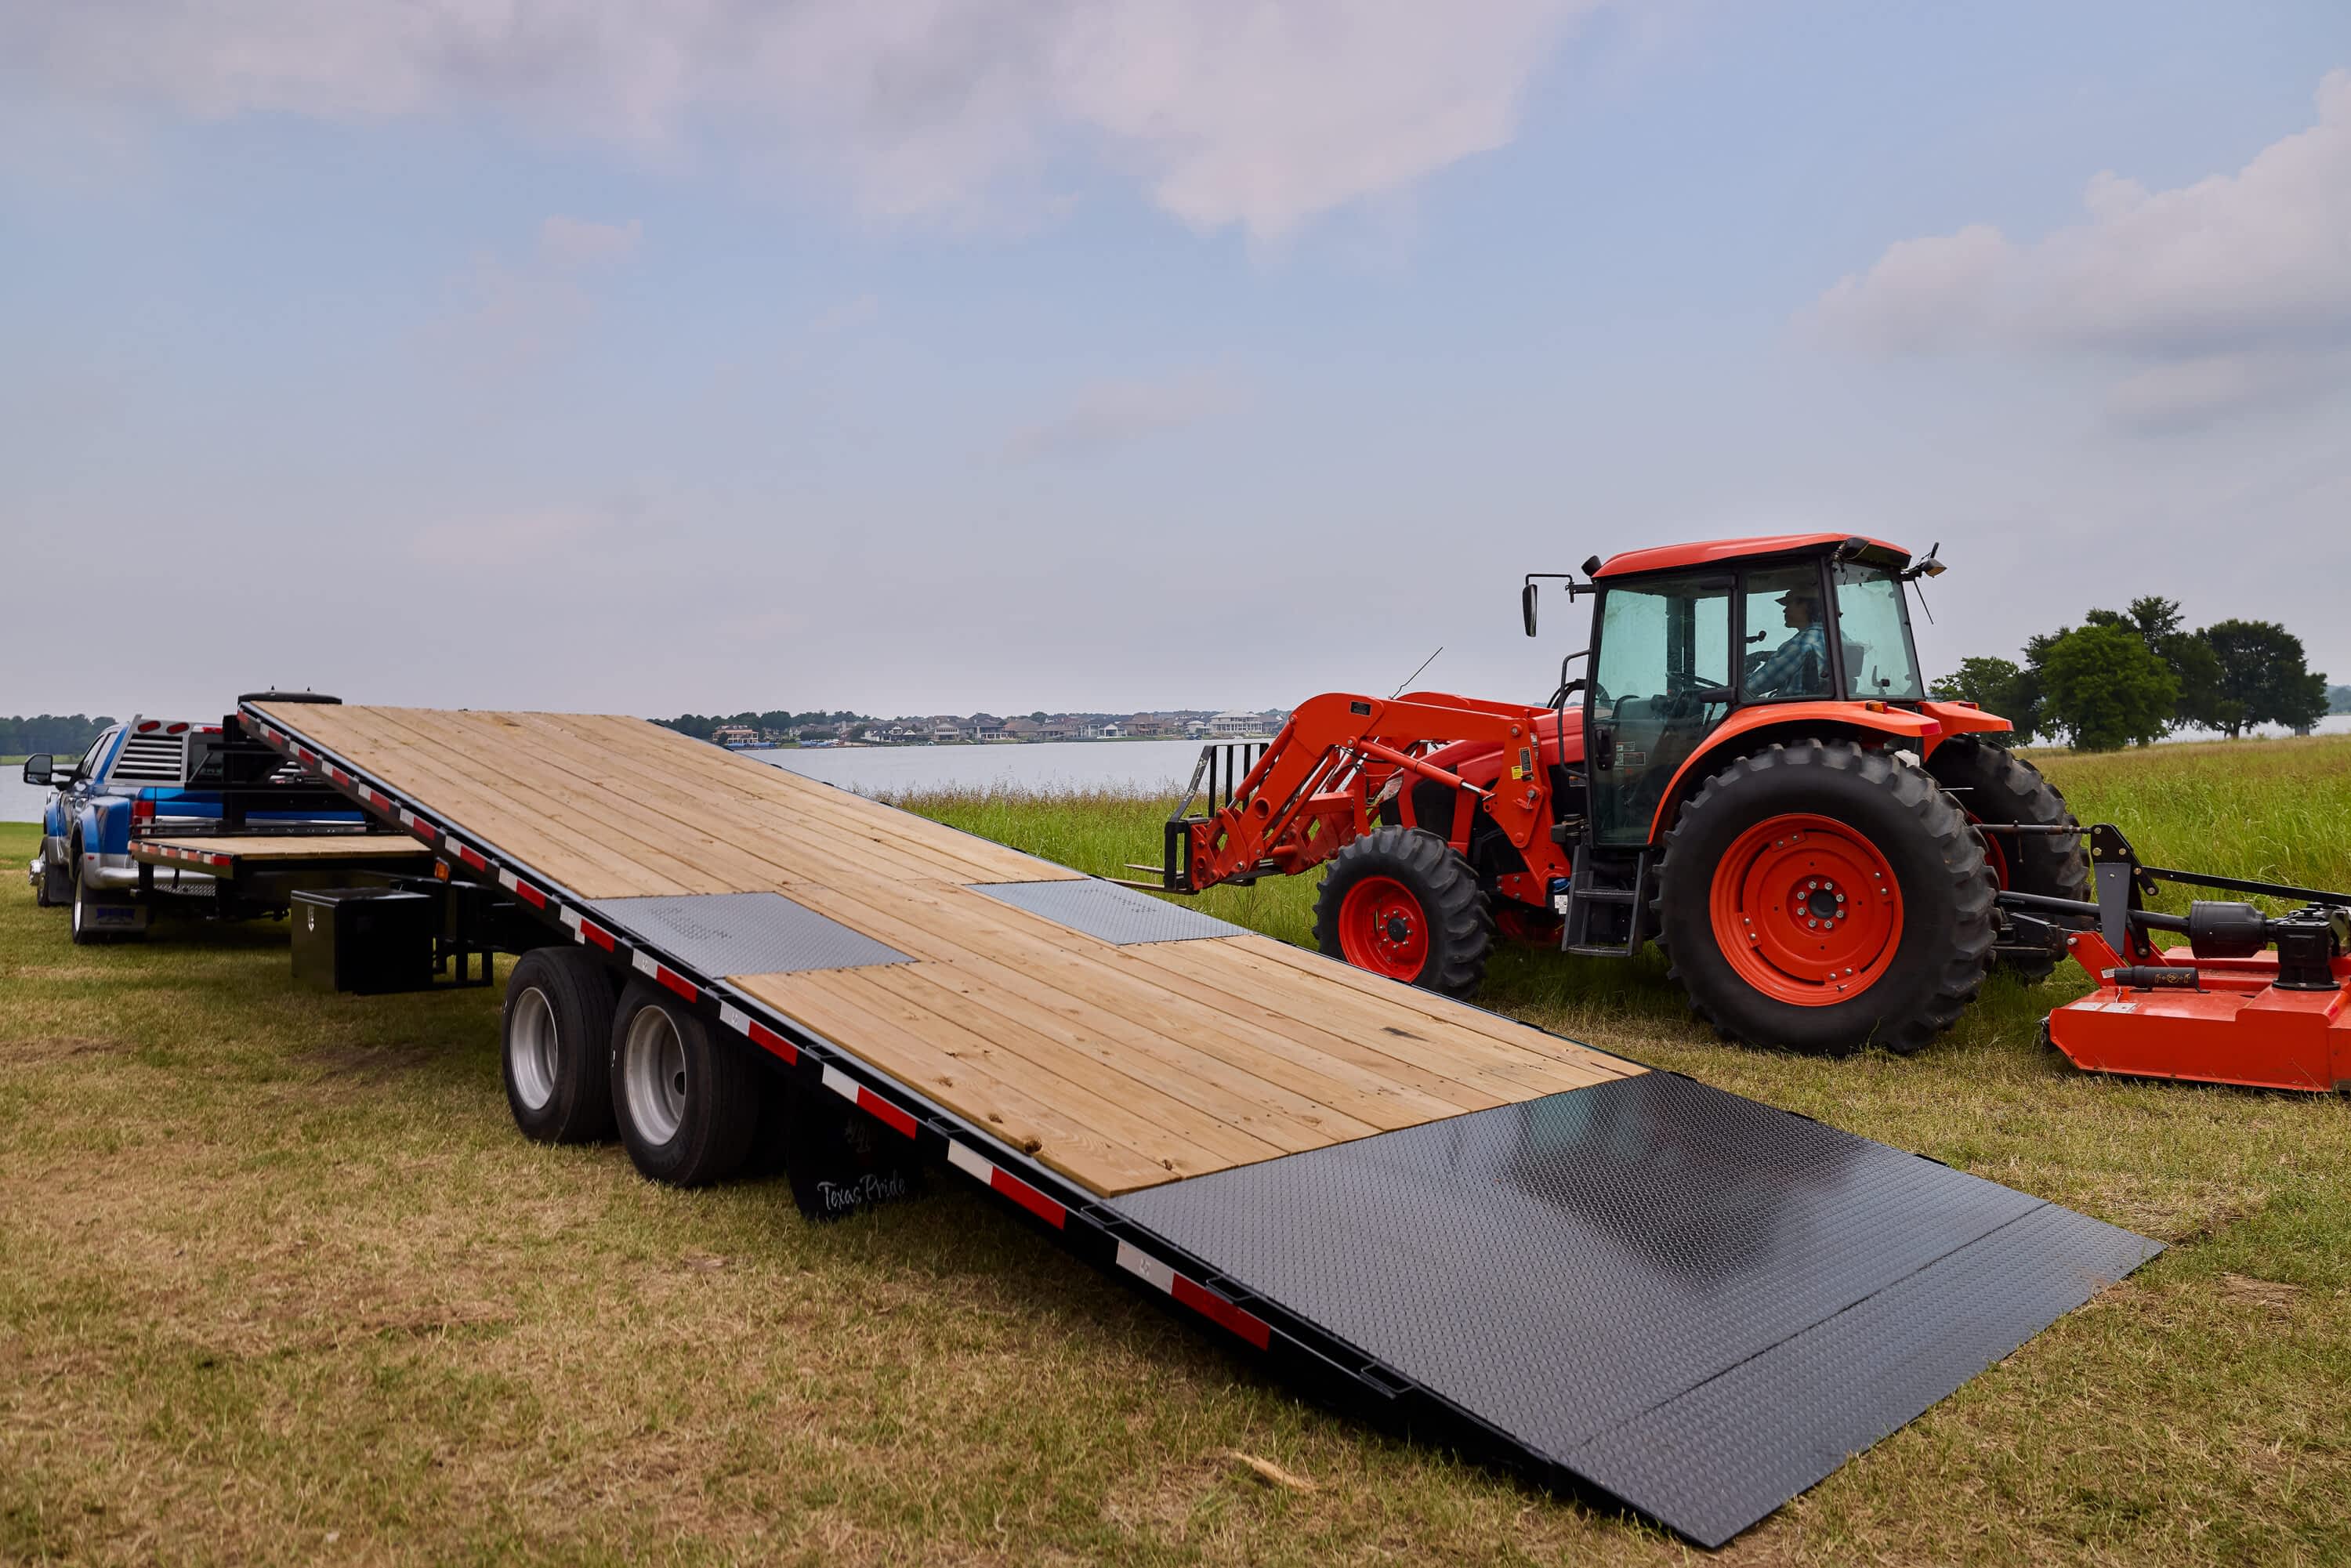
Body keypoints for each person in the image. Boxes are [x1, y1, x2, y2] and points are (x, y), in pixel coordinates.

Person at [1748, 585, 1829, 697]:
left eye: (1789, 604)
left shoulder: (1801, 644)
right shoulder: (1835, 636)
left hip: (1796, 708)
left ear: (1806, 606)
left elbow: (1753, 686)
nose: (1784, 610)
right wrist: (1765, 656)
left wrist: (1745, 671)